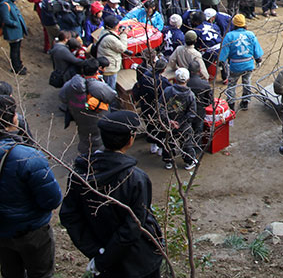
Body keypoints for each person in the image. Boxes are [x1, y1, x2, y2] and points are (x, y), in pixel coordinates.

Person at [60, 110, 164, 278]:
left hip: (103, 255)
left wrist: (96, 251)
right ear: (130, 139)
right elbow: (134, 226)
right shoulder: (135, 178)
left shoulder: (80, 175)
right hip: (138, 258)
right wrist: (103, 256)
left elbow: (69, 215)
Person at [0, 95, 63, 278]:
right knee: (41, 273)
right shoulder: (28, 157)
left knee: (10, 272)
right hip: (31, 230)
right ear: (13, 119)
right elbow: (52, 199)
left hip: (2, 229)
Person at [59, 58, 117, 155]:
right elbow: (112, 95)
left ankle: (85, 155)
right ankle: (97, 158)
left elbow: (62, 97)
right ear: (97, 70)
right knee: (99, 138)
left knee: (84, 135)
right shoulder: (97, 86)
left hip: (78, 114)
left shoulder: (71, 84)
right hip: (97, 115)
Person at [219, 14, 263, 111]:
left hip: (235, 65)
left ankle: (231, 103)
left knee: (232, 84)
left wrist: (221, 62)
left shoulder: (229, 36)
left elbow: (224, 53)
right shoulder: (250, 35)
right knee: (246, 82)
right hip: (248, 64)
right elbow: (257, 51)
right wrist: (258, 60)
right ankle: (245, 101)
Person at [159, 68, 199, 170]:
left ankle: (168, 161)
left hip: (168, 123)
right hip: (183, 124)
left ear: (175, 79)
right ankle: (189, 162)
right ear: (188, 79)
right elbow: (192, 113)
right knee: (186, 143)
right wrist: (180, 123)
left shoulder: (168, 91)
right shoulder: (190, 95)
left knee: (168, 142)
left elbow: (160, 107)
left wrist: (168, 120)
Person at [94, 15, 128, 90]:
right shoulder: (109, 38)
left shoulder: (104, 31)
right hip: (110, 68)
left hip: (107, 63)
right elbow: (122, 48)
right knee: (110, 88)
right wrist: (124, 34)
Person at [0, 0, 28, 75]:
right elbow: (6, 19)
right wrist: (15, 24)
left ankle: (19, 65)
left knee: (17, 49)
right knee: (14, 51)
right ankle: (16, 68)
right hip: (12, 32)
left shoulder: (10, 2)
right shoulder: (5, 5)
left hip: (16, 32)